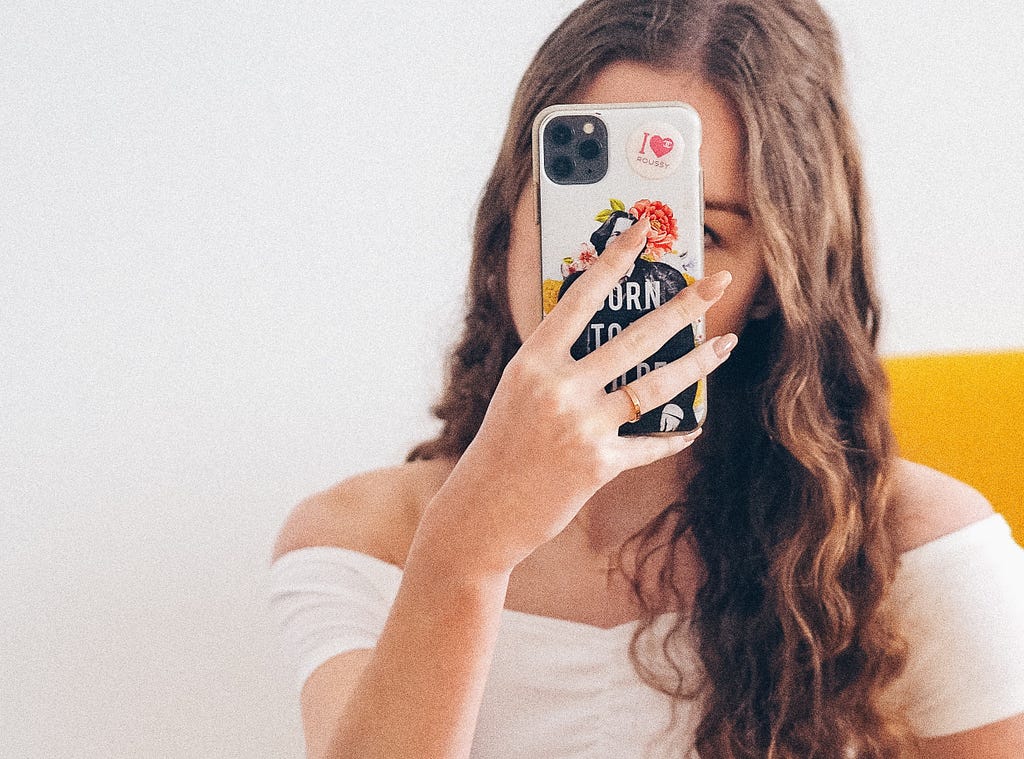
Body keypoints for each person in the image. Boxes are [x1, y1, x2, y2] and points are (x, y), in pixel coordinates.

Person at [266, 1, 1024, 757]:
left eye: (699, 232)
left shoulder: (912, 550)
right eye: (587, 210)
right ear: (509, 217)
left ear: (771, 280)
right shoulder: (360, 540)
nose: (617, 266)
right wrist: (467, 549)